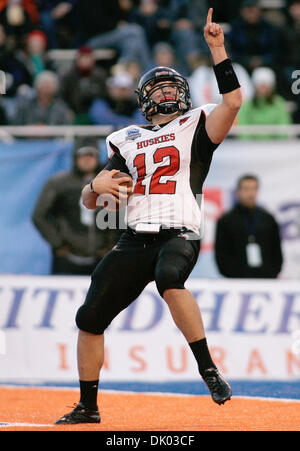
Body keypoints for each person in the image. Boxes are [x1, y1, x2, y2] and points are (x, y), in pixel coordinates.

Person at [55, 9, 242, 425]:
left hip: (179, 229)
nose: (165, 94)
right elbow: (92, 199)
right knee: (89, 318)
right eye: (156, 90)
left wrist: (217, 49)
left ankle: (208, 369)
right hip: (134, 236)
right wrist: (93, 188)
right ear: (143, 99)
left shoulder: (198, 125)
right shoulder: (126, 138)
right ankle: (88, 406)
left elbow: (232, 101)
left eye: (171, 87)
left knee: (170, 277)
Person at [32, 143, 120, 275]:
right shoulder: (59, 183)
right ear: (75, 158)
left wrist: (111, 245)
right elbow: (39, 215)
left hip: (101, 258)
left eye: (91, 155)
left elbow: (120, 215)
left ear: (97, 157)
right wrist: (58, 244)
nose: (87, 159)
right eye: (82, 155)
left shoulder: (109, 183)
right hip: (67, 257)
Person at [215, 174, 283, 279]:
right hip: (236, 280)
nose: (250, 193)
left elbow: (276, 250)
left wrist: (271, 273)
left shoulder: (268, 219)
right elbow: (221, 254)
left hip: (266, 278)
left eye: (254, 188)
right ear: (238, 191)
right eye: (246, 189)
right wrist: (233, 274)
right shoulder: (226, 221)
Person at [238, 67, 291, 139]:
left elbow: (283, 128)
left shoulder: (279, 103)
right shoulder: (246, 105)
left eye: (266, 86)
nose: (263, 89)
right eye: (260, 85)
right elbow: (243, 131)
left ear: (272, 87)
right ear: (254, 86)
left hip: (275, 147)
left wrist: (279, 147)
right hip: (250, 147)